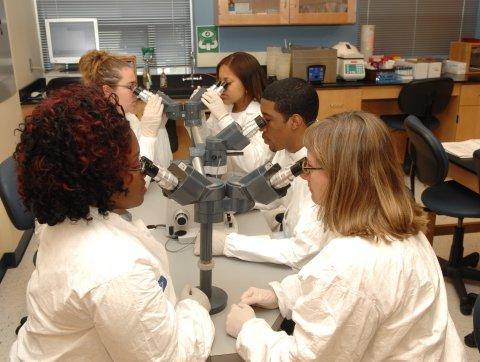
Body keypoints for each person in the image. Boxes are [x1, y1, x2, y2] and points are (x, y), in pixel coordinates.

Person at [225, 111, 465, 361]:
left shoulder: (351, 264)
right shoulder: (394, 224)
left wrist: (248, 330)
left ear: (343, 178)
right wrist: (280, 295)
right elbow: (325, 281)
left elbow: (302, 358)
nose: (304, 175)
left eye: (311, 166)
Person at [10, 84, 214, 361]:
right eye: (134, 163)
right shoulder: (115, 269)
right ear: (101, 177)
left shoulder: (63, 219)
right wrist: (195, 310)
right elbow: (169, 358)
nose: (145, 171)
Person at [195, 78, 331, 269]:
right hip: (288, 239)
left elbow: (301, 252)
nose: (261, 130)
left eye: (267, 121)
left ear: (295, 122)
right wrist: (230, 199)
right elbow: (272, 193)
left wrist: (228, 243)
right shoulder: (287, 150)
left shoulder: (321, 172)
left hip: (306, 267)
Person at [79, 50, 172, 169]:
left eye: (135, 86)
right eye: (130, 86)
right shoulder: (96, 132)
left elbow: (162, 167)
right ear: (107, 91)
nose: (136, 93)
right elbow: (135, 182)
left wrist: (159, 128)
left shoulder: (130, 119)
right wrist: (148, 136)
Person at [199, 51, 273, 178]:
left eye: (227, 83)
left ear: (246, 82)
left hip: (251, 188)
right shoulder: (223, 108)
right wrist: (197, 115)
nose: (221, 89)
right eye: (219, 82)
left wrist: (224, 118)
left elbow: (253, 164)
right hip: (224, 183)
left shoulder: (262, 114)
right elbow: (204, 143)